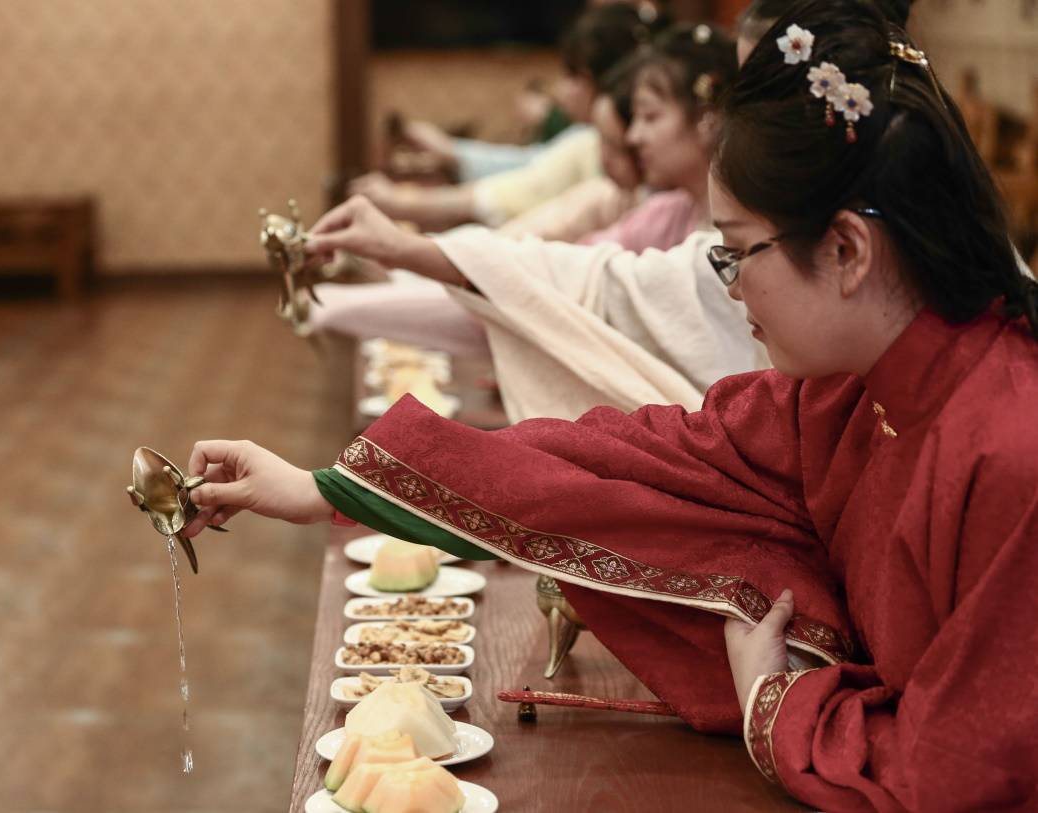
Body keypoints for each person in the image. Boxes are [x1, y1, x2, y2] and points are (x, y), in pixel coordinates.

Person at [182, 0, 1038, 809]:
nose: (732, 289)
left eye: (737, 254)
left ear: (847, 248)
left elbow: (952, 777)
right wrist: (329, 488)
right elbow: (629, 461)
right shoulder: (850, 393)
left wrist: (777, 701)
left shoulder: (1007, 448)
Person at [309, 25, 760, 421]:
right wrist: (414, 257)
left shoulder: (722, 231)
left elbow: (572, 281)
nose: (633, 137)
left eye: (649, 116)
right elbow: (574, 274)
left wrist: (406, 260)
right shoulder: (668, 211)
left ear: (709, 117)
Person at [350, 3, 662, 232]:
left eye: (573, 76)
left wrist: (405, 207)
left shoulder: (590, 149)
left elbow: (522, 193)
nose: (561, 90)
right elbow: (528, 172)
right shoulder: (590, 156)